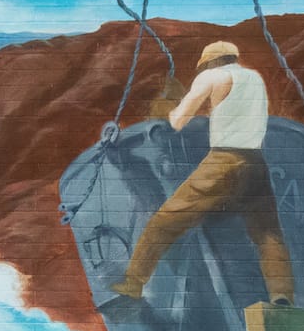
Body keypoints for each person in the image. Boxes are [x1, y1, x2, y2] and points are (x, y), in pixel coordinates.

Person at [111, 41, 294, 306]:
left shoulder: (211, 76)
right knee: (268, 234)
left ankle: (133, 282)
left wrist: (166, 109)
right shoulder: (254, 78)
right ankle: (281, 295)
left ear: (209, 62)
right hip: (256, 164)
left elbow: (178, 120)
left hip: (223, 161)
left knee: (164, 221)